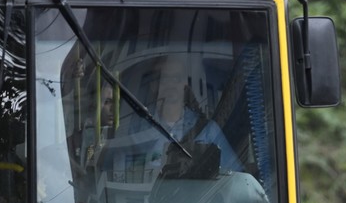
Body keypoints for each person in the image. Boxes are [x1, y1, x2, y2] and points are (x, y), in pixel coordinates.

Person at [102, 56, 242, 185]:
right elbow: (116, 175)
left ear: (185, 84)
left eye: (176, 79)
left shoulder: (208, 131)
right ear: (153, 85)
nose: (170, 85)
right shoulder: (134, 130)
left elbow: (237, 178)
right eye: (164, 79)